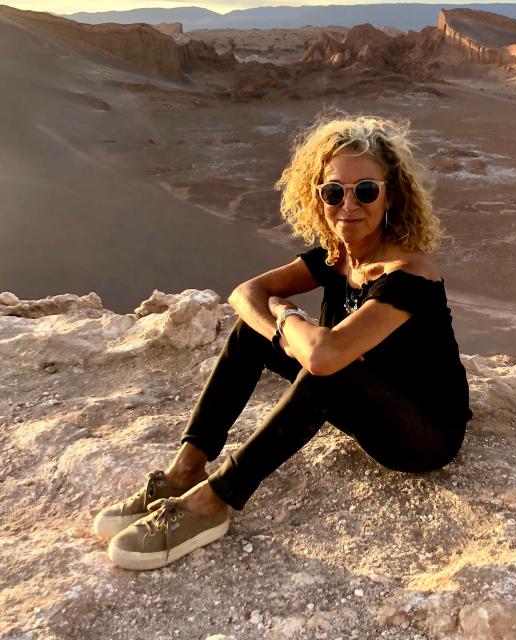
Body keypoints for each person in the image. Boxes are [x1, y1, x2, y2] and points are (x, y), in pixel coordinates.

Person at [94, 114, 473, 571]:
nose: (348, 205)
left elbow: (321, 354)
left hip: (421, 435)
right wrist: (281, 326)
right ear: (319, 197)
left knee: (325, 367)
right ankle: (185, 470)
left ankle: (214, 502)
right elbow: (244, 295)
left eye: (366, 191)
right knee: (252, 333)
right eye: (334, 191)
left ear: (392, 194)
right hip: (361, 401)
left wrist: (288, 314)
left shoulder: (407, 277)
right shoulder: (337, 258)